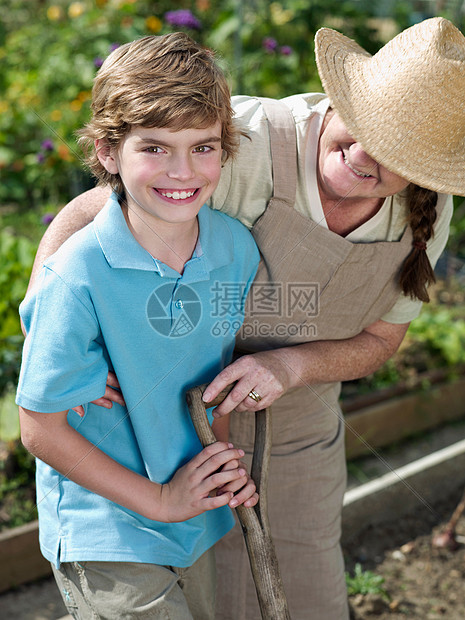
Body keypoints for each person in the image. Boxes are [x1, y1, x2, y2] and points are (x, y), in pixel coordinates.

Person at [26, 17, 465, 620]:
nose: (365, 157)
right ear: (338, 99)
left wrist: (287, 365)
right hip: (166, 427)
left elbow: (381, 340)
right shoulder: (239, 143)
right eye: (360, 130)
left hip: (295, 429)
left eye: (395, 155)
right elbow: (88, 220)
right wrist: (63, 348)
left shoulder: (426, 213)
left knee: (307, 599)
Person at [16, 33, 261, 620]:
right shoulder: (77, 276)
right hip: (107, 528)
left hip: (191, 515)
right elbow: (40, 429)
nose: (183, 171)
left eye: (203, 148)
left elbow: (213, 377)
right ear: (107, 153)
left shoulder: (235, 248)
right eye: (155, 148)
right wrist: (158, 499)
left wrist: (221, 467)